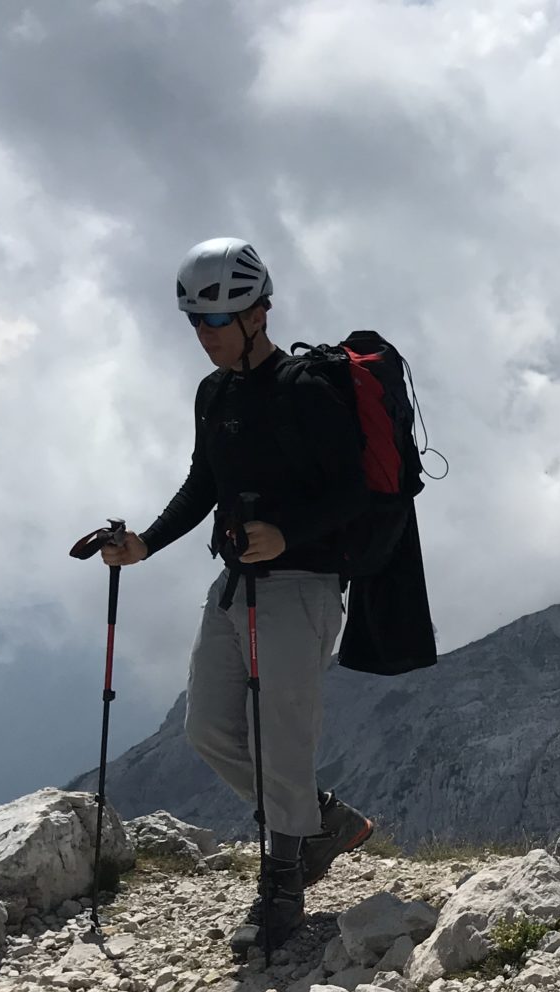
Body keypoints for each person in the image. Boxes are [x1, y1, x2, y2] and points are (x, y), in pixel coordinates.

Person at [100, 237, 376, 955]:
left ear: (257, 314)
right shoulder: (214, 394)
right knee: (209, 728)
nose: (205, 337)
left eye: (216, 322)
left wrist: (286, 536)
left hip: (303, 586)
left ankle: (282, 889)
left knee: (282, 742)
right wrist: (146, 545)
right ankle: (323, 821)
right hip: (236, 586)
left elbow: (355, 492)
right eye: (195, 323)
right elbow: (204, 484)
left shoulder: (307, 392)